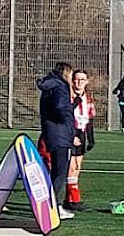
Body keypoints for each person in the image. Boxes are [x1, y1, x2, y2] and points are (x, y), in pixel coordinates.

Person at [36, 62, 75, 220]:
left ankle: (51, 204)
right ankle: (52, 206)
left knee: (56, 172)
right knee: (60, 173)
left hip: (52, 134)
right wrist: (67, 117)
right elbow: (60, 106)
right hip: (60, 136)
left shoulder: (50, 86)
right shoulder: (60, 86)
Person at [65, 69, 95, 211]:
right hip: (71, 133)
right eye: (76, 79)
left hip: (81, 133)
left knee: (76, 168)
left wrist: (91, 139)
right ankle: (75, 200)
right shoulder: (68, 97)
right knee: (71, 168)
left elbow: (90, 119)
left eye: (82, 80)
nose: (79, 82)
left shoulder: (88, 98)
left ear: (87, 81)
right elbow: (66, 117)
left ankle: (68, 199)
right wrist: (72, 136)